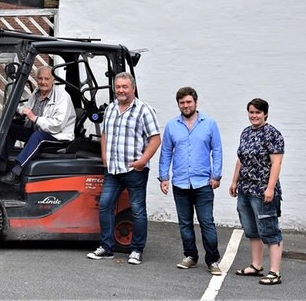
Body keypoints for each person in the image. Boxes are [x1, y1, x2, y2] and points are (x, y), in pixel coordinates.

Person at [87, 72, 161, 264]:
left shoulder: (144, 110)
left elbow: (155, 138)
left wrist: (142, 161)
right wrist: (104, 156)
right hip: (113, 170)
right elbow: (104, 134)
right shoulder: (111, 109)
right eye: (118, 86)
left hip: (134, 170)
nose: (121, 90)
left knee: (137, 210)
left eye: (125, 87)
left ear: (133, 88)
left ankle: (136, 250)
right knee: (105, 206)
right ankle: (106, 247)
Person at [158, 87, 223, 275]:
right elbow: (166, 153)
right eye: (182, 103)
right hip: (180, 183)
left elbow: (217, 151)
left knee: (206, 222)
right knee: (184, 223)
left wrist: (216, 175)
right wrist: (164, 177)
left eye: (188, 102)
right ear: (178, 104)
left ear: (196, 102)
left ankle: (212, 260)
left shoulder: (209, 124)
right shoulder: (172, 126)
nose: (186, 105)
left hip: (203, 183)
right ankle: (190, 256)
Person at [229, 98, 285, 285]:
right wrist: (234, 181)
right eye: (251, 112)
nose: (254, 116)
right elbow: (240, 159)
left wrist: (270, 188)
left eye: (258, 112)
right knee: (252, 230)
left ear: (265, 114)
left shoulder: (272, 134)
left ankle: (275, 272)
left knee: (269, 230)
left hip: (263, 191)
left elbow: (276, 163)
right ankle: (256, 265)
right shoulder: (245, 133)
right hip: (245, 189)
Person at [0, 66, 76, 184]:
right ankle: (0, 165)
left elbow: (57, 125)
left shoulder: (63, 97)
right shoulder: (36, 93)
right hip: (38, 130)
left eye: (46, 79)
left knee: (37, 137)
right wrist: (18, 110)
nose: (43, 82)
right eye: (40, 78)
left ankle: (16, 172)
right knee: (11, 129)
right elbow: (28, 108)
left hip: (57, 135)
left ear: (53, 80)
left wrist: (34, 118)